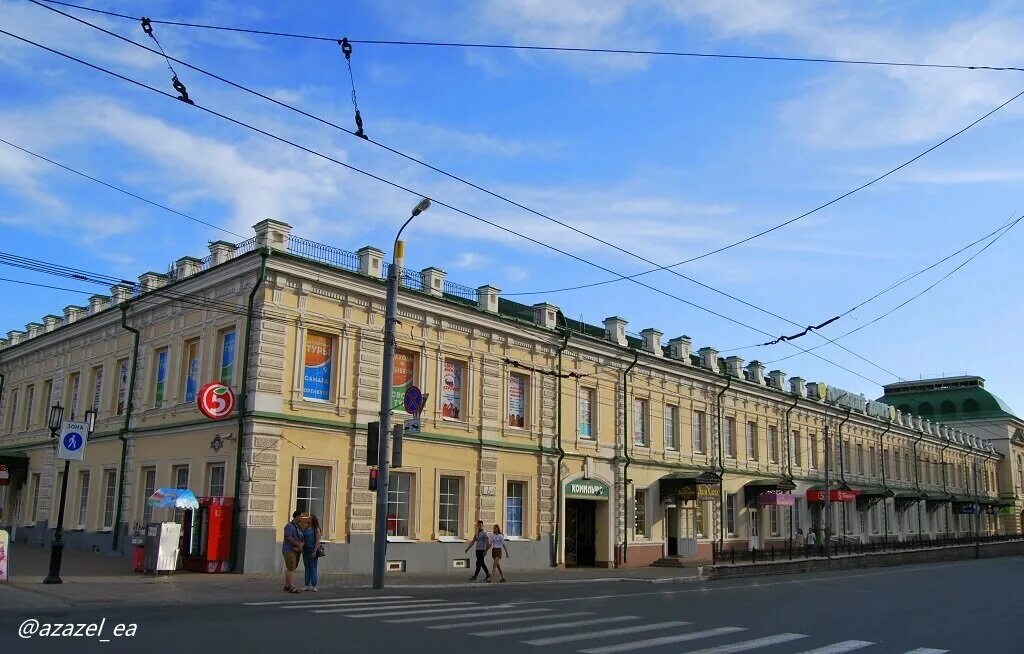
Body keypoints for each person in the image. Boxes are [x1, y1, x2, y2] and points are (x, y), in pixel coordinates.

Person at [282, 510, 304, 593]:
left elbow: (302, 537)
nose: (302, 518)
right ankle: (292, 587)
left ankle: (287, 585)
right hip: (289, 550)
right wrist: (297, 544)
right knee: (290, 568)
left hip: (297, 551)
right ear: (297, 516)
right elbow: (288, 537)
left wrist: (302, 544)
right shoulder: (289, 526)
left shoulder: (299, 527)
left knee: (291, 568)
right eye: (301, 516)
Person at [302, 514, 322, 592]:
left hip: (312, 549)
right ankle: (307, 585)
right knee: (307, 567)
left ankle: (314, 585)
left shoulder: (316, 529)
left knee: (313, 567)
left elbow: (317, 541)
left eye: (310, 518)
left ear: (313, 520)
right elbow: (303, 538)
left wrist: (314, 550)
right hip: (305, 550)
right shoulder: (306, 528)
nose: (308, 519)